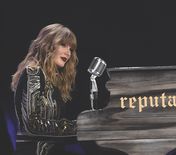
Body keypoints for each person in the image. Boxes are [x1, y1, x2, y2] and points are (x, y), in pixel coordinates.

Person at [11, 23, 127, 155]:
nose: (68, 52)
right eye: (63, 45)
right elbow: (33, 125)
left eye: (71, 49)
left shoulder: (52, 79)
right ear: (48, 45)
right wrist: (81, 126)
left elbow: (55, 125)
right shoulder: (33, 73)